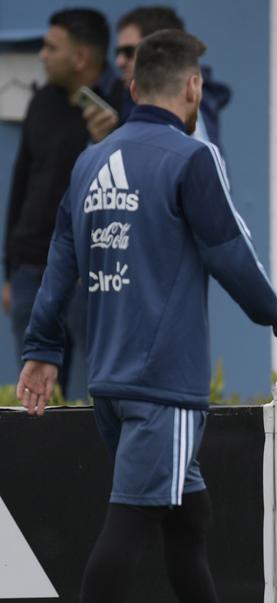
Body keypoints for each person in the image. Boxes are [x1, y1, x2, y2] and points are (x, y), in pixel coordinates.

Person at [18, 29, 277, 603]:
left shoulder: (93, 160)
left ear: (128, 88)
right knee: (132, 519)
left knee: (188, 517)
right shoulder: (191, 157)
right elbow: (230, 254)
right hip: (164, 383)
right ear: (192, 88)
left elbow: (60, 259)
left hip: (111, 379)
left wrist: (41, 349)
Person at [4, 8, 124, 402]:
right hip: (30, 272)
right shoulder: (42, 102)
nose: (42, 54)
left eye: (51, 47)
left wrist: (111, 138)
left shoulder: (121, 105)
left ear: (80, 57)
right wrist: (10, 271)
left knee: (88, 393)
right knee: (36, 393)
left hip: (88, 275)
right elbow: (21, 184)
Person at [87, 5, 231, 149]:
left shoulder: (190, 98)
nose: (119, 61)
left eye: (128, 52)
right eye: (118, 52)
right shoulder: (133, 98)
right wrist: (104, 142)